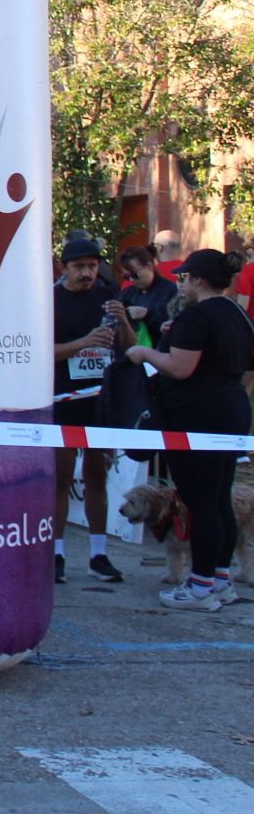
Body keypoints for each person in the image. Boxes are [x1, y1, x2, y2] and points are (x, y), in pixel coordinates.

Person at [124, 248, 254, 610]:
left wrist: (144, 354)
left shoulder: (199, 315)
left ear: (198, 279)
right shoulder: (237, 314)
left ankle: (199, 586)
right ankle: (220, 580)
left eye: (184, 278)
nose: (180, 284)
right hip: (231, 407)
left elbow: (179, 368)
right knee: (220, 498)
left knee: (202, 502)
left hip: (198, 416)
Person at [51, 237, 124, 585]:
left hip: (100, 399)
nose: (86, 273)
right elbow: (40, 352)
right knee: (61, 478)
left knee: (98, 475)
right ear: (64, 268)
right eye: (79, 266)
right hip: (63, 398)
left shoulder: (107, 297)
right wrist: (83, 343)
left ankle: (99, 554)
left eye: (92, 266)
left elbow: (129, 347)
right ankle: (56, 553)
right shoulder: (50, 300)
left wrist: (122, 322)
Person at [118, 246, 178, 346]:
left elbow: (175, 325)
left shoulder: (170, 291)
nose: (131, 280)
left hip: (159, 350)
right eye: (126, 277)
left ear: (149, 267)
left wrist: (148, 315)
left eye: (134, 275)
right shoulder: (127, 293)